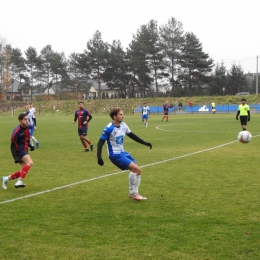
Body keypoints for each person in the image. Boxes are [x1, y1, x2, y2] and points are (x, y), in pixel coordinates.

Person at [97, 107, 152, 201]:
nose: (123, 116)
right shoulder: (109, 128)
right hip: (115, 155)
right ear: (114, 116)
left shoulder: (123, 125)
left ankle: (134, 193)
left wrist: (145, 143)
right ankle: (133, 193)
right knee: (135, 168)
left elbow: (132, 135)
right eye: (120, 114)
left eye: (122, 114)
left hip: (123, 152)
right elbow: (100, 142)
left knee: (138, 170)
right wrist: (99, 157)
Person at [2, 113, 34, 189]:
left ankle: (6, 178)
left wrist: (31, 145)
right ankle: (19, 181)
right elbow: (12, 145)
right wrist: (15, 157)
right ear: (20, 121)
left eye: (27, 119)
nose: (27, 121)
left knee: (25, 171)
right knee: (30, 162)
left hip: (24, 149)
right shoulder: (16, 131)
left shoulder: (28, 126)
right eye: (25, 119)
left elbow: (27, 137)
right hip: (18, 150)